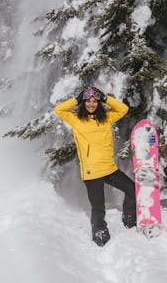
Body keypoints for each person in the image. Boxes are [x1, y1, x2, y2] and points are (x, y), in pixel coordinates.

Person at [54, 86, 136, 246]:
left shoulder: (105, 118)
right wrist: (75, 100)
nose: (91, 104)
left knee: (132, 189)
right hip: (92, 173)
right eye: (88, 101)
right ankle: (99, 231)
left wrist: (106, 98)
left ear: (98, 103)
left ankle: (130, 219)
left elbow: (123, 109)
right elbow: (59, 109)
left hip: (109, 168)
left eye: (95, 101)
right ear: (83, 103)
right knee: (98, 206)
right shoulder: (76, 119)